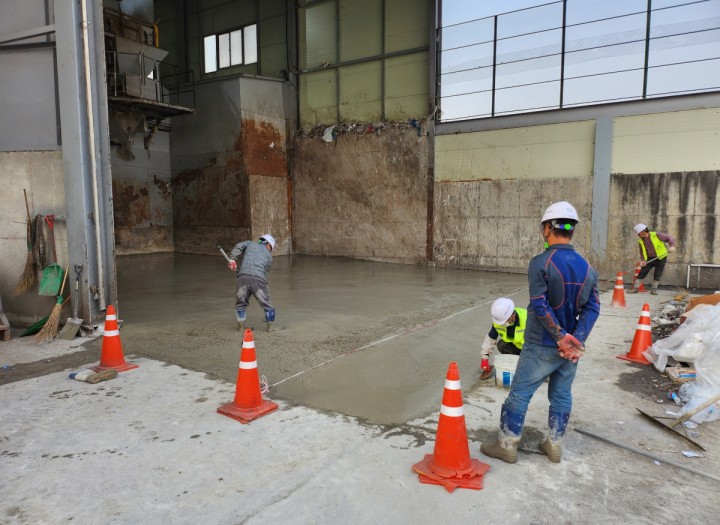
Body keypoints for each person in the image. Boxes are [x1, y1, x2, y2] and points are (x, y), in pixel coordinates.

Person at [480, 201, 600, 464]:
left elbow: (539, 304)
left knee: (520, 393)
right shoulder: (588, 267)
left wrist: (559, 337)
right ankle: (554, 446)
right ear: (572, 229)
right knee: (562, 395)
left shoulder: (540, 263)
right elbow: (593, 307)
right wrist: (575, 340)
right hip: (570, 349)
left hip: (541, 343)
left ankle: (507, 445)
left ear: (548, 227)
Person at [228, 234, 276, 332]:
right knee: (267, 304)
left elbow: (239, 246)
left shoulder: (250, 244)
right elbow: (265, 273)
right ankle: (270, 327)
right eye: (270, 248)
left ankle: (241, 327)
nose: (270, 251)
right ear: (268, 245)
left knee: (240, 304)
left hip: (242, 277)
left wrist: (232, 259)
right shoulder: (269, 257)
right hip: (258, 279)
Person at [480, 298, 527, 380]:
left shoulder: (528, 319)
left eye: (504, 321)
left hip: (534, 349)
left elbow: (539, 344)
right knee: (502, 345)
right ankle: (519, 364)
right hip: (520, 348)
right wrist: (485, 357)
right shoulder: (498, 322)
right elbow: (490, 339)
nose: (502, 324)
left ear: (512, 316)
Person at [629, 223, 676, 295]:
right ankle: (635, 288)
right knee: (642, 272)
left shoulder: (656, 235)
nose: (638, 235)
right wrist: (643, 261)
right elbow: (642, 252)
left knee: (658, 274)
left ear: (642, 231)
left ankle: (654, 289)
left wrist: (672, 246)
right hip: (650, 258)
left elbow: (669, 238)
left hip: (661, 258)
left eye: (638, 233)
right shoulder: (641, 241)